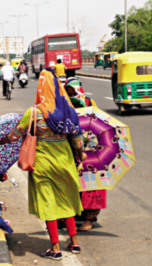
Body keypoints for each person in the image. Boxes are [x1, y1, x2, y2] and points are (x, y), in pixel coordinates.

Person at [0, 69, 87, 261]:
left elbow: (15, 134)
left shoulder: (34, 112)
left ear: (41, 87)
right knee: (66, 200)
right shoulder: (69, 111)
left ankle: (55, 248)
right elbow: (77, 139)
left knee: (48, 202)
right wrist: (81, 154)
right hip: (65, 162)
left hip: (42, 163)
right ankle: (74, 243)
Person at [64, 77, 107, 231]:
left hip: (88, 149)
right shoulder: (62, 103)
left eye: (74, 91)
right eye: (68, 91)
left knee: (91, 184)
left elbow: (98, 121)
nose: (71, 94)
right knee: (69, 182)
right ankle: (67, 216)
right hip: (69, 148)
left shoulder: (89, 103)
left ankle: (89, 219)